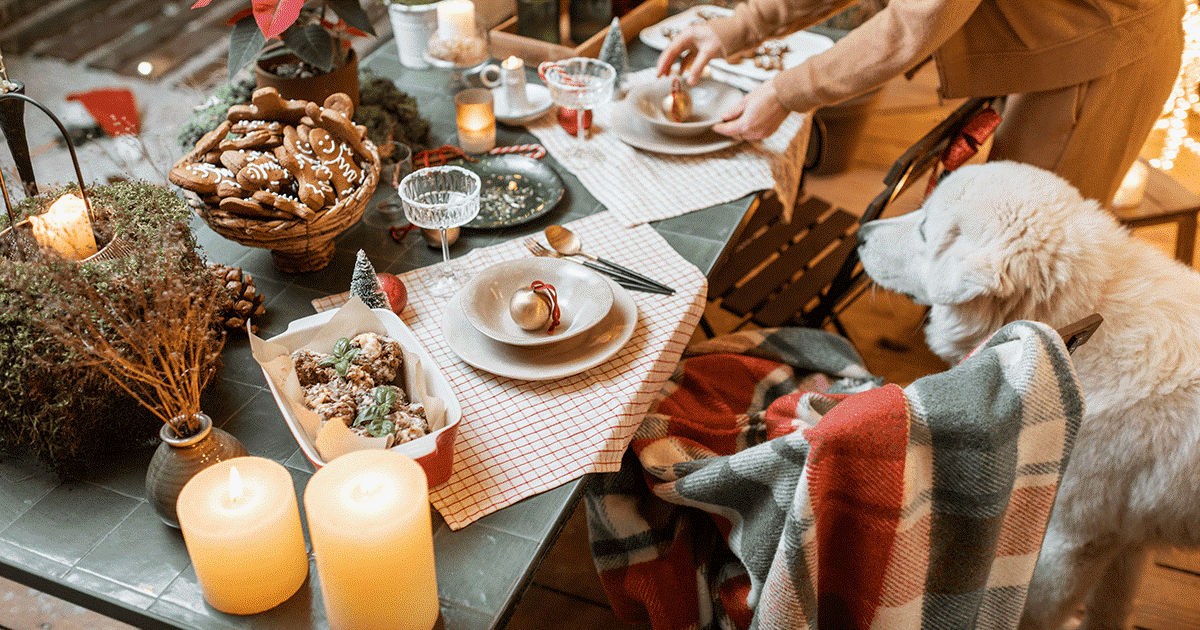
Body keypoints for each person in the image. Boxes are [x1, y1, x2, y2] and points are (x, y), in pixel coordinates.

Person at [657, 0, 1185, 204]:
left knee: (1027, 251)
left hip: (1103, 56)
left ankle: (1017, 428)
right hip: (1049, 40)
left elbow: (918, 19)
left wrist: (785, 90)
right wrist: (739, 26)